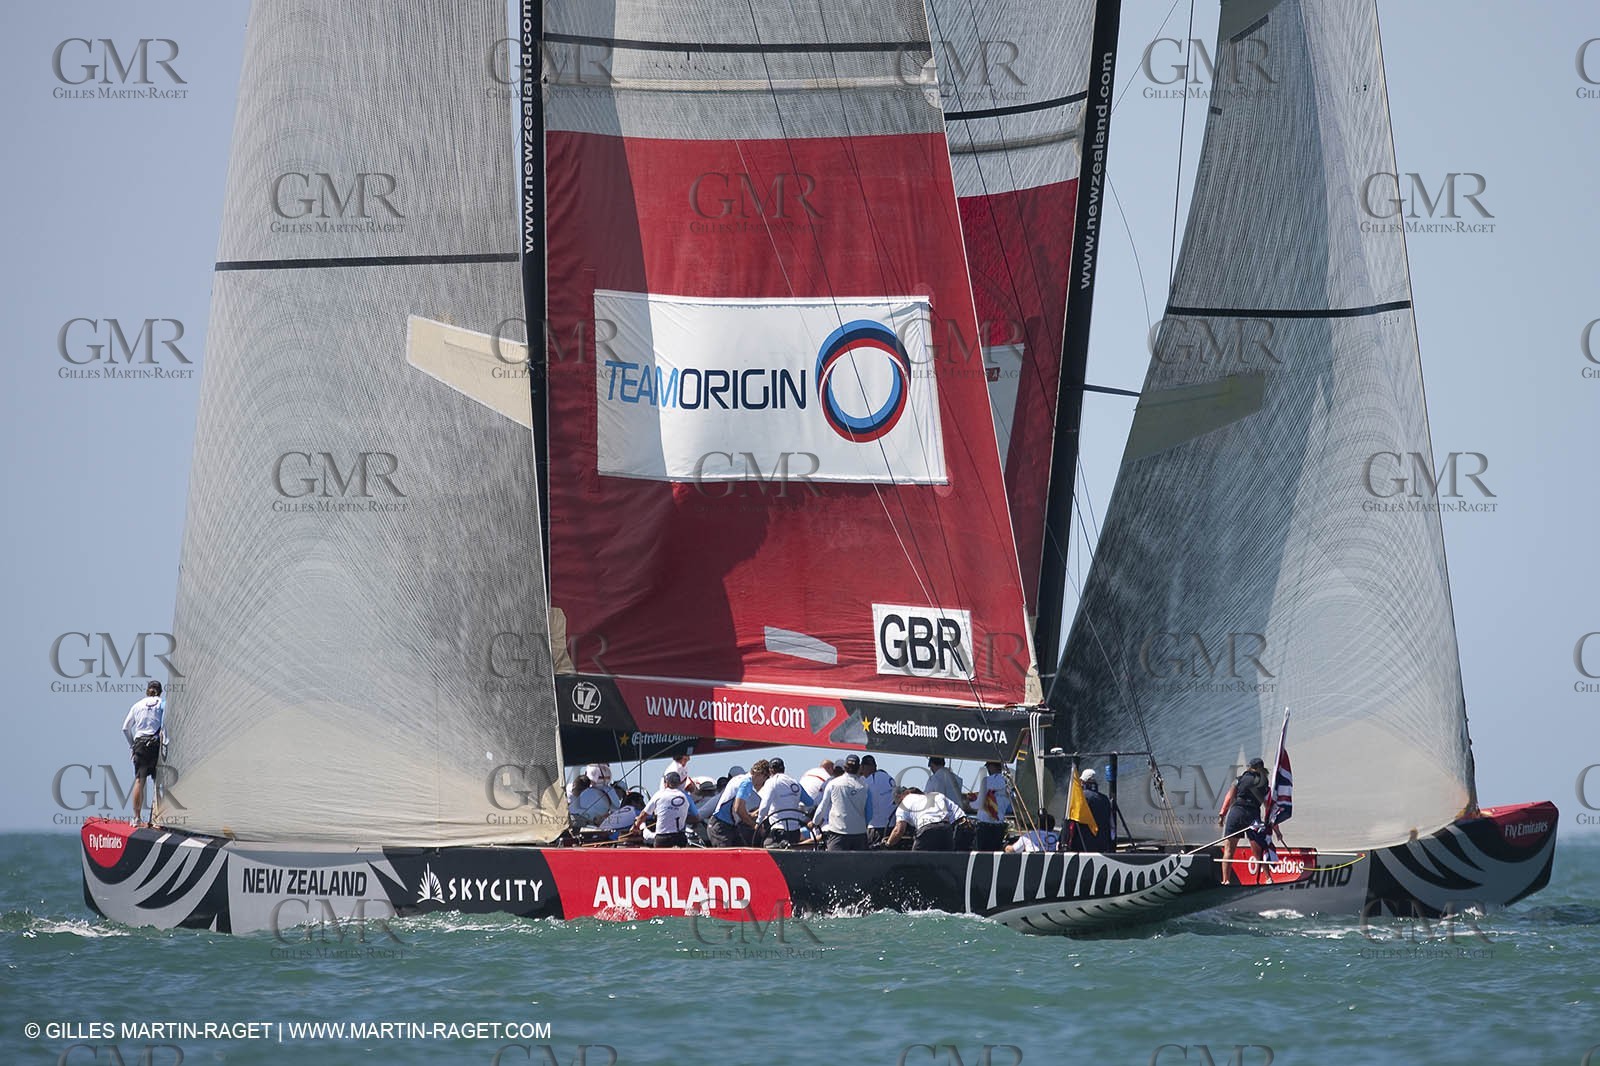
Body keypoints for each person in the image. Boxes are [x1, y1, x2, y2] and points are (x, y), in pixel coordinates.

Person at [1216, 757, 1269, 884]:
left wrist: (1222, 814)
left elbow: (1229, 797)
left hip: (1237, 812)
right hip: (1253, 814)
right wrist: (1273, 825)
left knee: (1229, 850)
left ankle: (1226, 881)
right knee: (1259, 850)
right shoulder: (1264, 782)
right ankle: (1268, 878)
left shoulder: (1239, 780)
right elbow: (1268, 804)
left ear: (1250, 767)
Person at [121, 680, 166, 827]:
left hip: (140, 744)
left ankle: (137, 818)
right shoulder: (162, 703)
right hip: (155, 744)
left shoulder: (137, 705)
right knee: (158, 782)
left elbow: (125, 728)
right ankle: (158, 820)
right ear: (160, 692)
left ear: (147, 691)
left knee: (140, 780)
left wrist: (132, 745)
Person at [808, 754, 873, 850]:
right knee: (859, 864)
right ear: (859, 768)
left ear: (845, 767)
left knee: (834, 864)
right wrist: (863, 826)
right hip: (859, 834)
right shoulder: (865, 787)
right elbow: (870, 812)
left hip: (838, 833)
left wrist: (815, 822)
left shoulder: (833, 784)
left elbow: (823, 806)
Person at [708, 761, 769, 847]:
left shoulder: (739, 778)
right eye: (765, 780)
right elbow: (738, 809)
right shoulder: (746, 783)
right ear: (761, 775)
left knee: (742, 855)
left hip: (728, 826)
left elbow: (735, 810)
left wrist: (750, 815)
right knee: (727, 858)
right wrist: (756, 827)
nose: (763, 784)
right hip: (721, 827)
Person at [633, 771, 701, 847]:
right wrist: (681, 817)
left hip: (662, 838)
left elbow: (643, 815)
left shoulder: (659, 794)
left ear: (666, 783)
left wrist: (635, 827)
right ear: (679, 783)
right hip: (680, 837)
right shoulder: (686, 796)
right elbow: (696, 817)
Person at [884, 787, 963, 851]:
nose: (898, 803)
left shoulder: (903, 804)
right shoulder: (934, 796)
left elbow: (899, 830)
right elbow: (957, 813)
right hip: (946, 829)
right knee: (946, 865)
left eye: (897, 800)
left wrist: (888, 844)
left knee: (917, 864)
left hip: (927, 830)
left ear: (905, 793)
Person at [756, 757, 810, 845]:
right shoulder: (795, 782)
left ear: (770, 770)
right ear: (784, 769)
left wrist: (758, 822)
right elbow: (810, 802)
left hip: (778, 830)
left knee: (765, 845)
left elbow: (765, 805)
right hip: (795, 831)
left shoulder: (771, 782)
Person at [1063, 769, 1114, 852]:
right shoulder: (1105, 799)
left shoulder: (1081, 798)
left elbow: (1071, 819)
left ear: (1083, 782)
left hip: (1082, 845)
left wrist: (1064, 839)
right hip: (1102, 845)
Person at [972, 760, 1011, 851]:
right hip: (999, 826)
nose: (988, 769)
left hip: (984, 826)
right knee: (995, 854)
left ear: (993, 766)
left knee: (981, 854)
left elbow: (979, 802)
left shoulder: (987, 780)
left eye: (989, 766)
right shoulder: (1008, 781)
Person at [860, 755, 896, 844]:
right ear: (875, 766)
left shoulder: (867, 782)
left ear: (863, 767)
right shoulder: (889, 778)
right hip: (891, 827)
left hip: (875, 827)